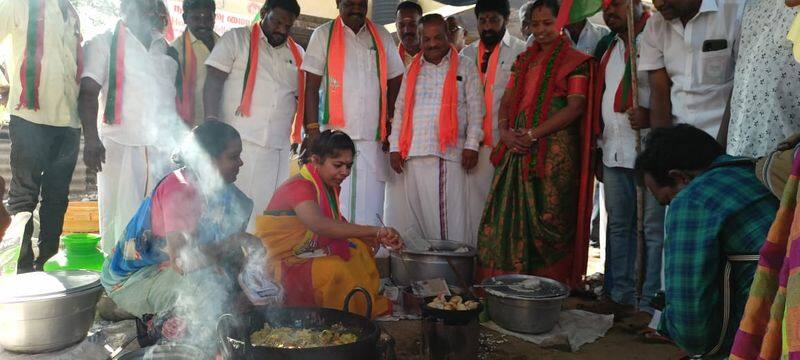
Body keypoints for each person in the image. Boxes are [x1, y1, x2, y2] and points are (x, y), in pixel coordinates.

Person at [101, 120, 254, 348]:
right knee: (207, 288)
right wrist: (235, 242)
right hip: (136, 278)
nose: (241, 162)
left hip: (183, 269)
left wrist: (247, 286)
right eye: (233, 157)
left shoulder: (232, 198)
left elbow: (231, 255)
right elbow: (184, 262)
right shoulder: (180, 190)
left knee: (233, 289)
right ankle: (174, 338)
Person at [476, 0, 596, 287]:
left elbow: (575, 108)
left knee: (550, 218)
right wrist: (505, 131)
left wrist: (533, 134)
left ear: (560, 22)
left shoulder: (575, 62)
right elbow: (507, 100)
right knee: (502, 217)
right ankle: (506, 285)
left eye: (548, 23)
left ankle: (547, 287)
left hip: (553, 155)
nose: (541, 30)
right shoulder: (523, 60)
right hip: (516, 148)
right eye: (535, 24)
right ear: (527, 26)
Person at [635, 124, 776, 358]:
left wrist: (671, 324)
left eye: (668, 201)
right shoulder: (755, 172)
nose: (671, 207)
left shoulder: (693, 200)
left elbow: (693, 330)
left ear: (678, 177)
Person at [256, 130, 403, 319]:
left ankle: (362, 304)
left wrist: (368, 236)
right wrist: (376, 231)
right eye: (338, 165)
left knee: (359, 249)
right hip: (282, 263)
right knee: (335, 270)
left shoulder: (325, 185)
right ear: (316, 161)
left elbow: (336, 223)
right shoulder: (300, 186)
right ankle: (343, 317)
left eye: (349, 166)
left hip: (304, 253)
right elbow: (320, 225)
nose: (345, 172)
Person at [80, 0, 185, 254]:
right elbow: (87, 92)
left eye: (153, 9)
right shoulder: (103, 42)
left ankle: (149, 275)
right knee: (120, 216)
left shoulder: (166, 50)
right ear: (124, 11)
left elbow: (174, 103)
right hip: (119, 144)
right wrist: (91, 140)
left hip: (160, 151)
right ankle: (116, 278)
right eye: (142, 7)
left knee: (157, 219)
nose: (149, 14)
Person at [302, 0, 405, 227]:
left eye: (361, 3)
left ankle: (369, 256)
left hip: (373, 136)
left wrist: (391, 122)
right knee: (336, 201)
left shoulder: (381, 36)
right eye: (350, 3)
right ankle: (338, 256)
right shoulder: (322, 35)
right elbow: (310, 85)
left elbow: (396, 79)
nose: (357, 8)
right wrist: (311, 130)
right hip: (334, 138)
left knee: (373, 202)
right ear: (338, 3)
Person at [203, 0, 304, 232]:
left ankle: (257, 263)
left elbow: (303, 96)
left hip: (277, 148)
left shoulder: (297, 53)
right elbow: (213, 79)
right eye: (277, 21)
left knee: (266, 213)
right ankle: (229, 260)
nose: (281, 29)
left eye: (287, 25)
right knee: (234, 212)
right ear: (263, 13)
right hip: (239, 146)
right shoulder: (236, 39)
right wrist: (210, 121)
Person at [385, 14, 483, 247]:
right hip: (415, 152)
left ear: (448, 36)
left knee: (448, 220)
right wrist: (395, 147)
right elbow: (400, 110)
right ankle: (428, 273)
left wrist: (471, 145)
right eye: (426, 38)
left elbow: (476, 110)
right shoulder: (412, 69)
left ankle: (452, 270)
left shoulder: (466, 66)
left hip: (448, 154)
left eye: (438, 37)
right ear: (419, 39)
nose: (432, 44)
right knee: (419, 220)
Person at [0, 0, 82, 272]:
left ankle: (46, 262)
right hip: (30, 117)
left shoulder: (71, 13)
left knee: (57, 199)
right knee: (24, 196)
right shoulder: (19, 4)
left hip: (69, 121)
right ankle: (21, 268)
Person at [594, 0, 664, 314]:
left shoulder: (655, 35)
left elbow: (673, 88)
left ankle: (647, 300)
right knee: (619, 226)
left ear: (636, 4)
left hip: (648, 149)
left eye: (619, 3)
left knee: (651, 229)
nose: (610, 10)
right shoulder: (607, 47)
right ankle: (619, 294)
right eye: (605, 5)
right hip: (614, 150)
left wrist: (652, 116)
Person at [460, 0, 526, 247]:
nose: (487, 27)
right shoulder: (465, 54)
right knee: (470, 209)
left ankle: (497, 262)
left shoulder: (520, 51)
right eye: (482, 21)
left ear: (506, 19)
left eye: (493, 20)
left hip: (504, 145)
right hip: (470, 146)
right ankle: (475, 260)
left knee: (501, 208)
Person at [639, 0, 745, 138]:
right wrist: (661, 148)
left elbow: (744, 86)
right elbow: (659, 94)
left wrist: (722, 153)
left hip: (729, 139)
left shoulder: (736, 12)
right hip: (680, 142)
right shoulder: (655, 25)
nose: (658, 4)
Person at [717, 1, 800, 158]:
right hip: (737, 159)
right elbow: (743, 80)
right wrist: (719, 156)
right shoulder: (752, 6)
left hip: (783, 168)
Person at [172, 0, 218, 126]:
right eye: (196, 18)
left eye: (208, 18)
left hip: (220, 125)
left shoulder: (224, 45)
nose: (203, 24)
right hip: (190, 127)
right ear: (184, 18)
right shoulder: (175, 50)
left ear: (215, 17)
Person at [395, 1, 422, 66]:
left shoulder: (436, 55)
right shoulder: (390, 60)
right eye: (401, 25)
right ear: (396, 26)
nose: (407, 30)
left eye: (412, 24)